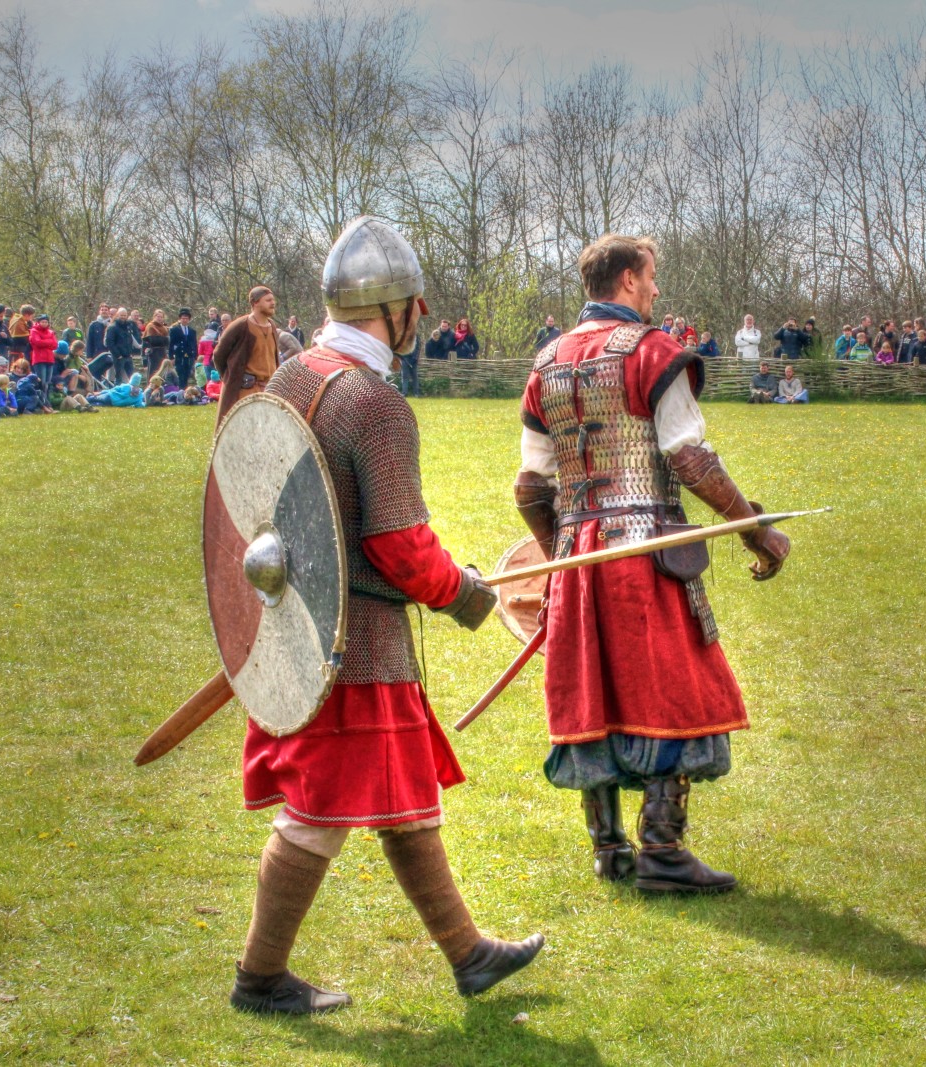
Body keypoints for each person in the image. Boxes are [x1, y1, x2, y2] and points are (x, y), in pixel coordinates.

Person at [226, 216, 542, 1016]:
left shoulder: (294, 374)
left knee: (403, 799)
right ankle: (260, 977)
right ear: (399, 311)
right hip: (352, 642)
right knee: (317, 813)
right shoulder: (373, 403)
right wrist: (466, 591)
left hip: (299, 628)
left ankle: (469, 953)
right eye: (415, 307)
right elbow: (398, 544)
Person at [514, 234, 791, 894]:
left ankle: (609, 848)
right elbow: (689, 458)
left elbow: (529, 487)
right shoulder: (651, 351)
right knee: (675, 685)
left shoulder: (546, 363)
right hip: (643, 553)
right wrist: (756, 532)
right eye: (651, 276)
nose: (657, 289)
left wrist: (559, 555)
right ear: (628, 280)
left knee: (593, 688)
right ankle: (662, 850)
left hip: (577, 557)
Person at [211, 286, 281, 424]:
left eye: (273, 300)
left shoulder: (272, 326)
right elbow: (219, 355)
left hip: (269, 389)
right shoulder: (240, 326)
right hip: (245, 391)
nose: (273, 303)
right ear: (255, 303)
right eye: (268, 300)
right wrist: (231, 378)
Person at [169, 308, 198, 388]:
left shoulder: (192, 331)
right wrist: (171, 357)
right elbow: (171, 344)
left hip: (189, 356)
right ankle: (180, 390)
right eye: (183, 318)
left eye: (186, 318)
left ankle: (185, 389)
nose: (184, 320)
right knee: (180, 374)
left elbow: (195, 344)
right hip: (179, 355)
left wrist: (195, 356)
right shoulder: (174, 330)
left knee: (187, 374)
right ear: (180, 319)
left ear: (189, 319)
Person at [142, 309, 170, 380]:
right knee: (153, 373)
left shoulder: (164, 328)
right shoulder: (151, 326)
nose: (159, 318)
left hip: (162, 353)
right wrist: (163, 339)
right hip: (153, 353)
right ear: (154, 317)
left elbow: (167, 342)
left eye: (161, 317)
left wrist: (164, 340)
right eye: (158, 316)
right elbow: (153, 340)